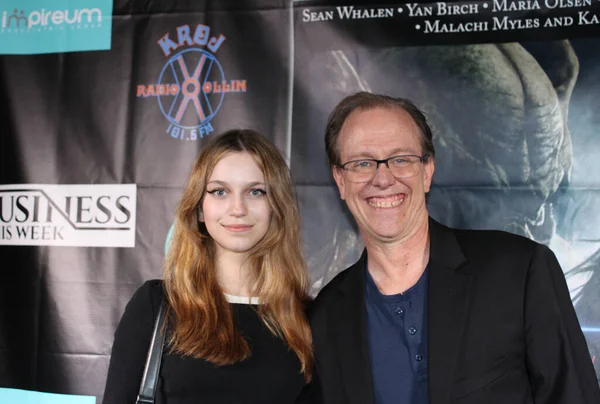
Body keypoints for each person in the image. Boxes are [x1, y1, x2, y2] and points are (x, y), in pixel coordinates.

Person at [308, 92, 600, 404]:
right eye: (362, 163)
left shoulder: (518, 270)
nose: (383, 178)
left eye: (401, 159)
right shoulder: (327, 315)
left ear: (427, 171)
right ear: (340, 180)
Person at [102, 129, 316, 404]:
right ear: (200, 208)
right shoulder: (158, 305)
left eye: (256, 191)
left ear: (276, 206)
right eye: (219, 191)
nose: (237, 208)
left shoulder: (306, 318)